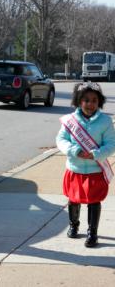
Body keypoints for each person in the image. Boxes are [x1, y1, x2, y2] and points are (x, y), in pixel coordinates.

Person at [56, 82, 115, 247]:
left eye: (94, 100)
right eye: (86, 100)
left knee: (94, 201)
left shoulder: (105, 121)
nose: (90, 104)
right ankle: (74, 225)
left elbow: (111, 144)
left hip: (96, 169)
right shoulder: (70, 120)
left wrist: (96, 154)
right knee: (73, 200)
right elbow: (60, 140)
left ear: (99, 102)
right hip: (75, 169)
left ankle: (92, 232)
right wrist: (74, 150)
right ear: (79, 101)